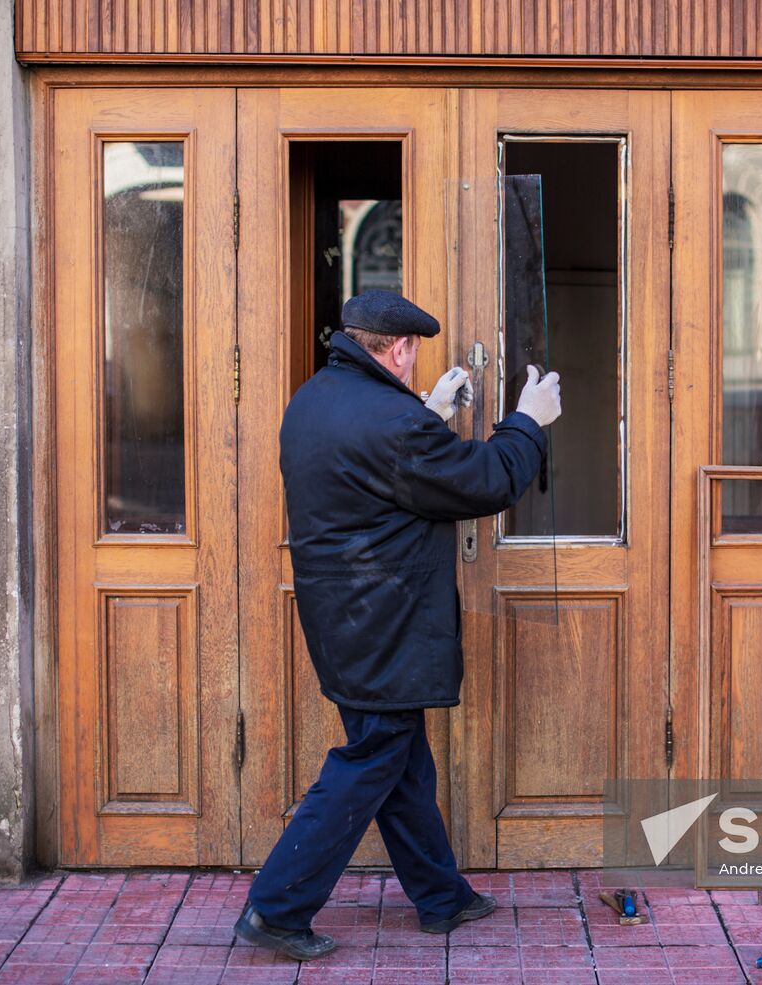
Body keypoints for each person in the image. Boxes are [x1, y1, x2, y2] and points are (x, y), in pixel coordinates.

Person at [234, 289, 563, 961]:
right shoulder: (392, 422)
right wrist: (529, 420)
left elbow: (370, 474)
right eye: (414, 356)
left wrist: (430, 408)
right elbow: (490, 478)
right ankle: (276, 907)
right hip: (380, 621)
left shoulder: (315, 399)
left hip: (340, 616)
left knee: (400, 756)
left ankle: (440, 895)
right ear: (402, 348)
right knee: (374, 756)